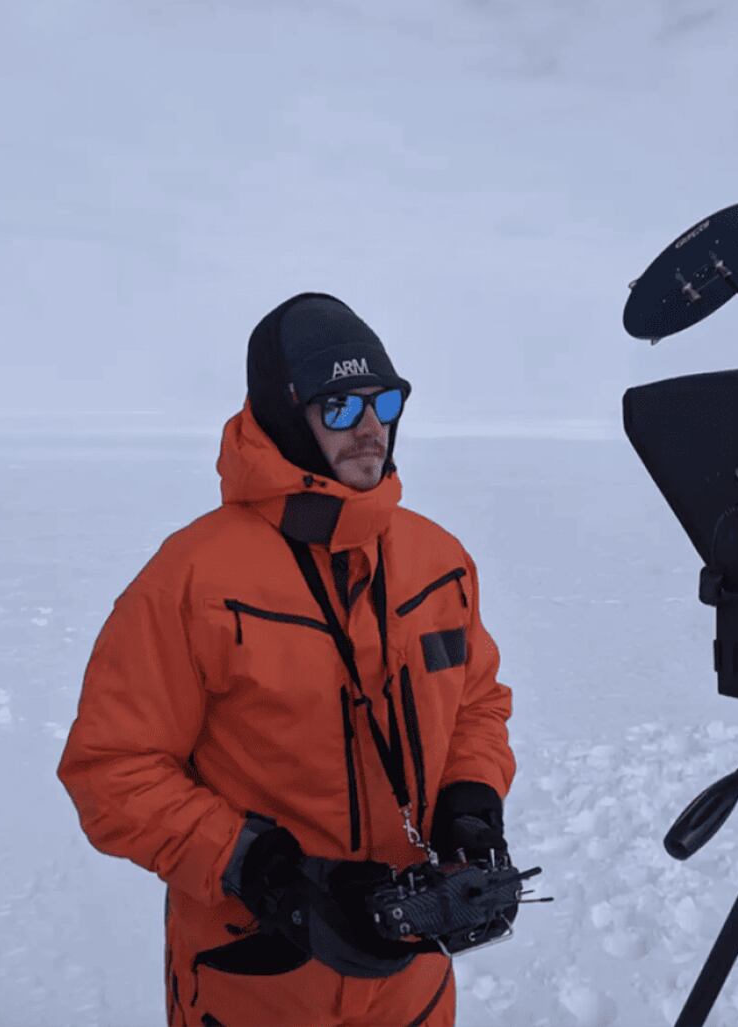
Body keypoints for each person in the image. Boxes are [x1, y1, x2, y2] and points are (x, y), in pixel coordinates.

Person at [58, 292, 518, 1027]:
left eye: (384, 402)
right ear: (284, 415)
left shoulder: (440, 561)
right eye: (339, 407)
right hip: (256, 973)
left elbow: (477, 705)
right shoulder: (191, 580)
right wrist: (264, 871)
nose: (370, 429)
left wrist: (470, 800)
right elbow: (111, 770)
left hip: (411, 965)